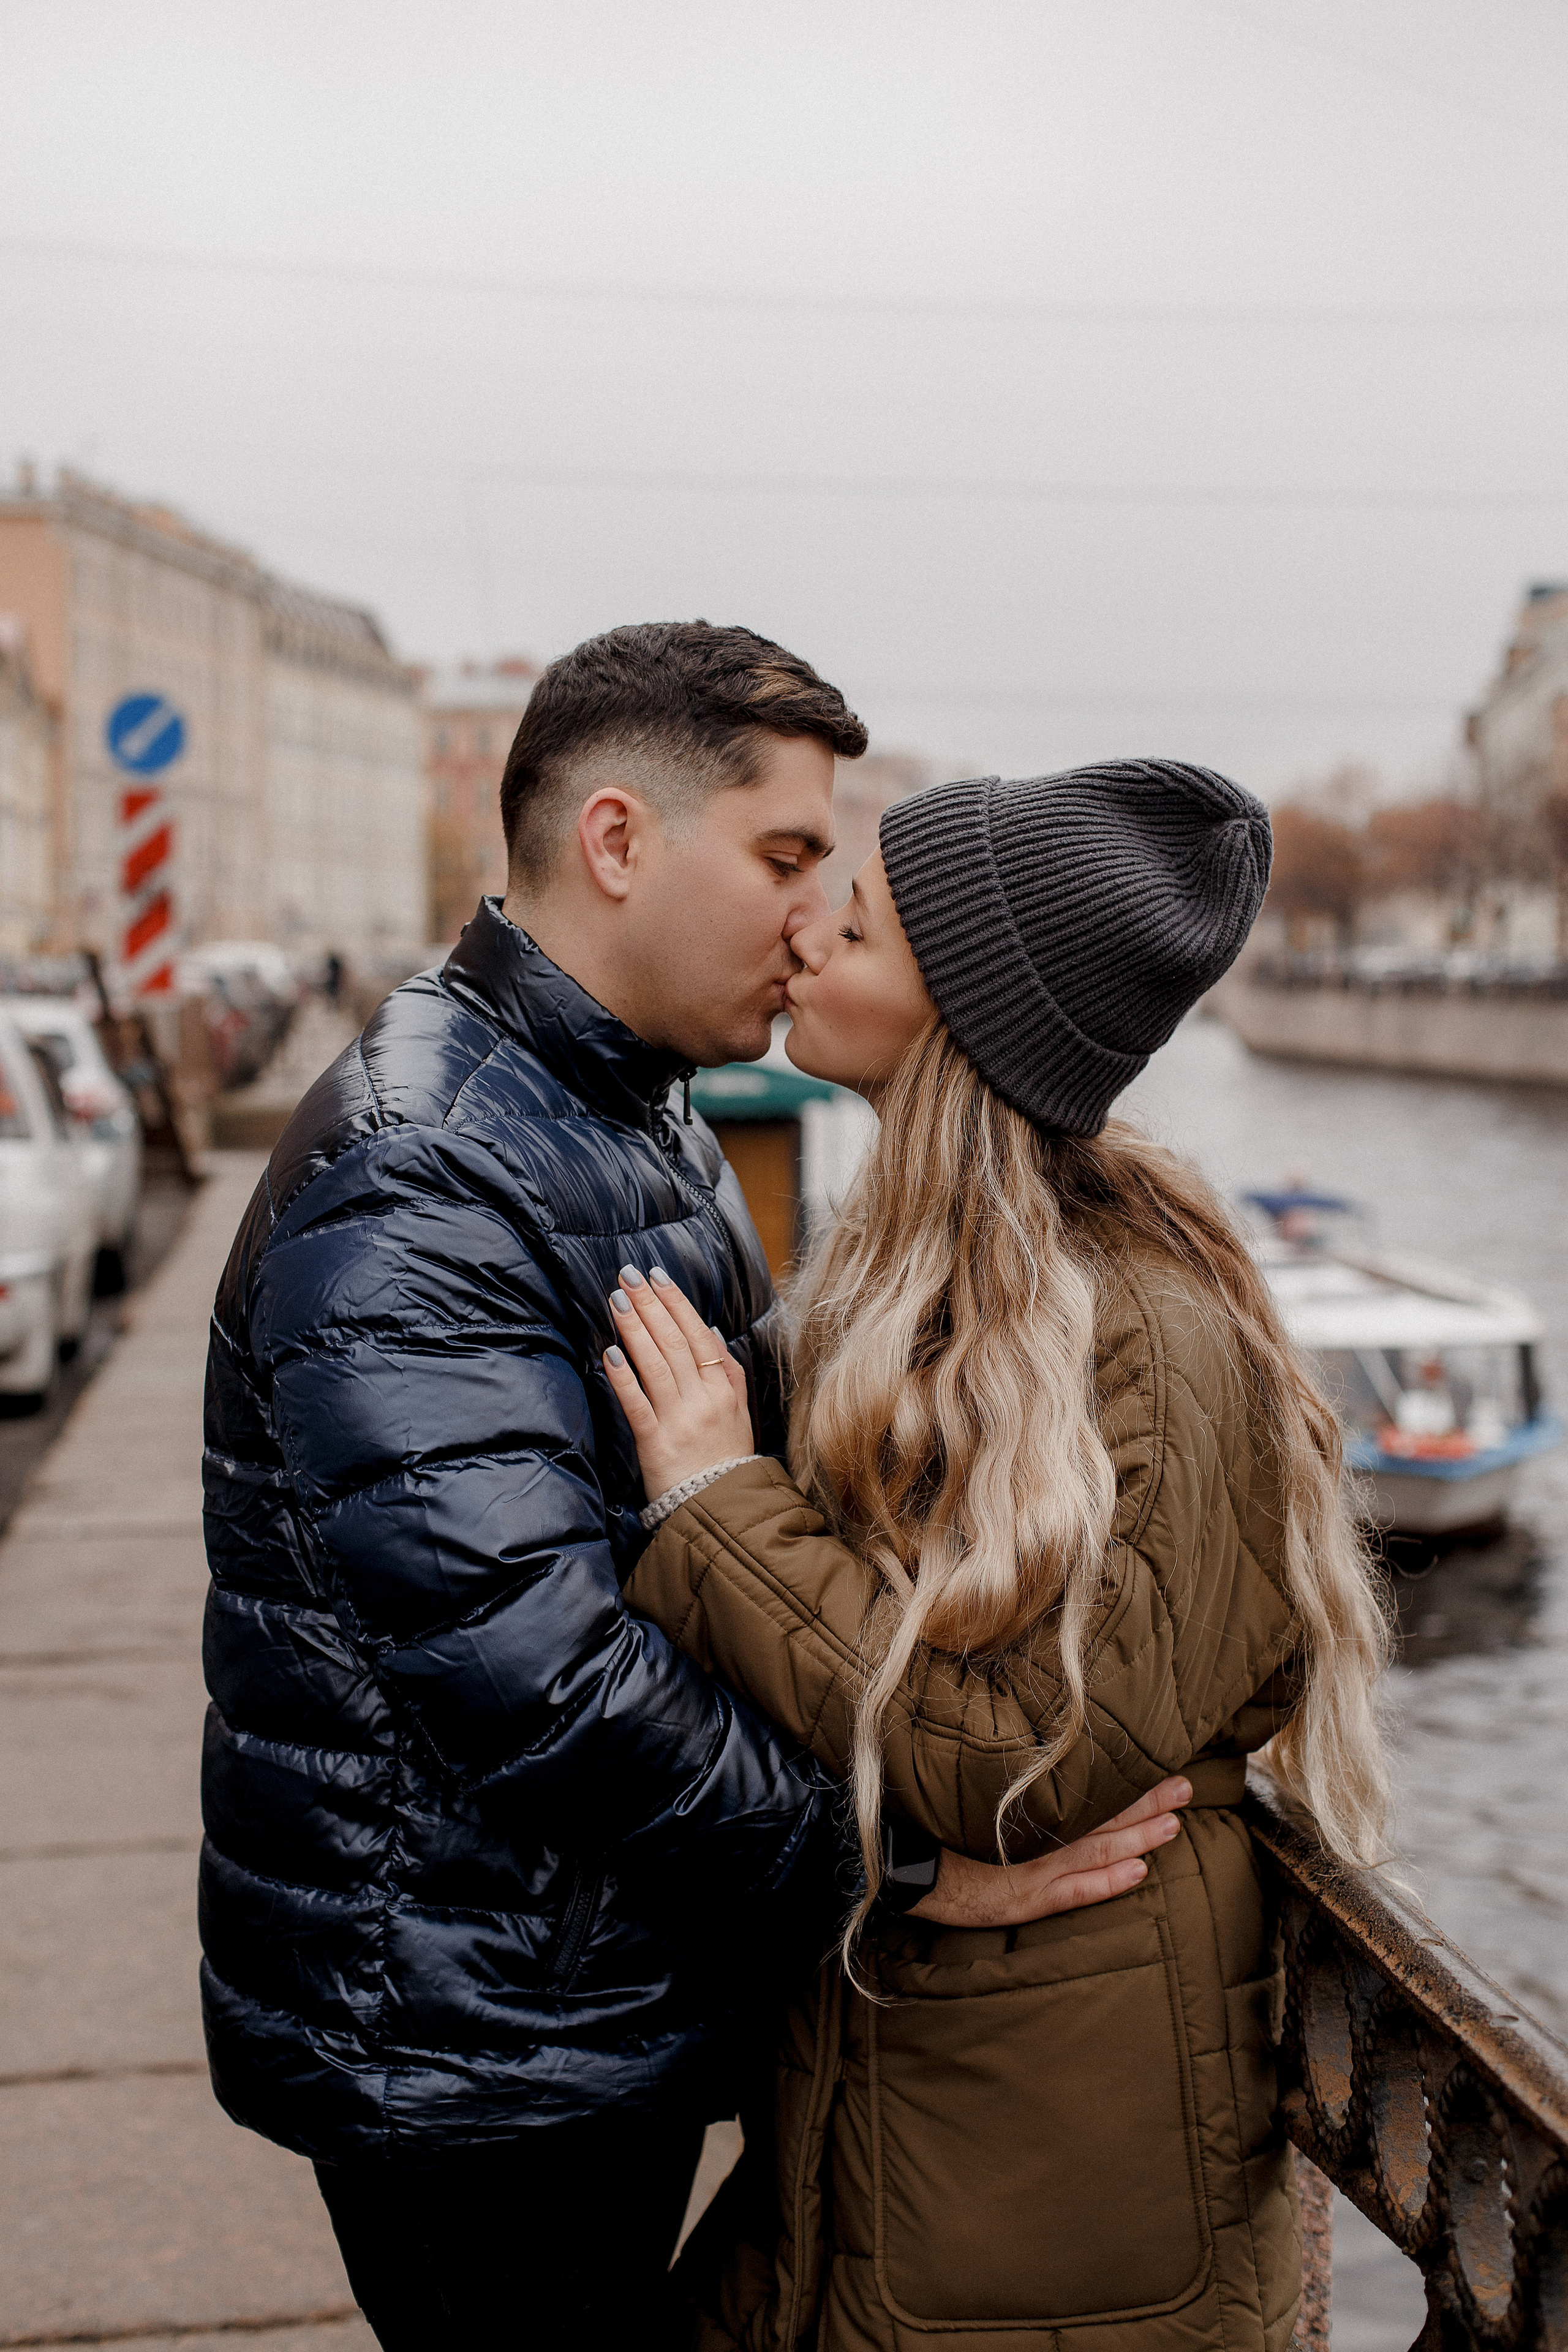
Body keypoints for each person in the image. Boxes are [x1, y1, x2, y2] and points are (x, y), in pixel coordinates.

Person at [198, 631, 1186, 2351]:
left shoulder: (615, 1107)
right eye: (787, 859)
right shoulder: (426, 1168)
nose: (816, 919)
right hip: (476, 2044)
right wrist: (904, 1874)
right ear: (617, 842)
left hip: (562, 1987)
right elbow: (544, 1674)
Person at [603, 761, 1392, 2352]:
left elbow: (1021, 1765)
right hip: (944, 2076)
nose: (813, 936)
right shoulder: (943, 1288)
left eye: (868, 925)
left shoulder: (1147, 1337)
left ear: (965, 1014)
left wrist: (713, 1508)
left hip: (1064, 2149)